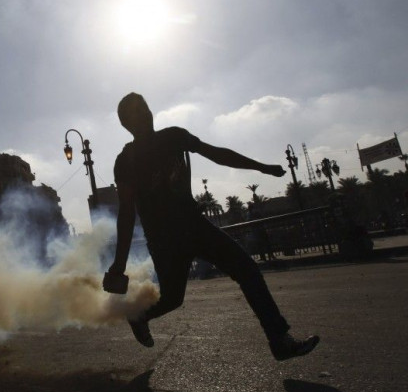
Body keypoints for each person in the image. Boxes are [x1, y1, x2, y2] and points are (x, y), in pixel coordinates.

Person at [107, 92, 319, 361]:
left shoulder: (173, 136)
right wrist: (119, 264)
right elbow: (126, 212)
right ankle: (139, 318)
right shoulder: (125, 160)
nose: (145, 115)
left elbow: (216, 154)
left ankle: (279, 340)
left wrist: (260, 167)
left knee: (247, 270)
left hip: (195, 226)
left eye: (146, 109)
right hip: (163, 240)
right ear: (127, 124)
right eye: (137, 113)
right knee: (172, 299)